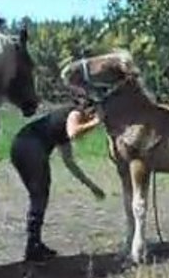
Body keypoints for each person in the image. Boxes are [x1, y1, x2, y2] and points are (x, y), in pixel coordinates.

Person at [9, 101, 106, 262]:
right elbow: (74, 132)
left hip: (22, 145)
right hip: (29, 146)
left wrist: (91, 186)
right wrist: (96, 122)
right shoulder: (75, 113)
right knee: (39, 194)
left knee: (39, 195)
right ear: (89, 111)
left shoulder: (62, 130)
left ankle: (34, 244)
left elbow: (70, 163)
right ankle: (33, 246)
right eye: (92, 115)